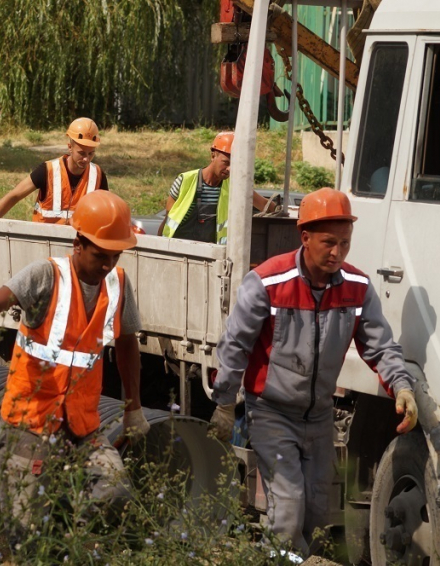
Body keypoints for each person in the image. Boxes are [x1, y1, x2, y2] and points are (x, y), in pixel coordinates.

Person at [0, 190, 149, 546]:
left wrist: (133, 407)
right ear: (78, 244)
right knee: (24, 534)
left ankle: (63, 542)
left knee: (115, 490)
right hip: (29, 423)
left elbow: (128, 343)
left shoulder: (118, 284)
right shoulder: (45, 276)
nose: (107, 264)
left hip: (83, 426)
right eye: (100, 255)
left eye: (115, 254)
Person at [210, 187, 418, 557]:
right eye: (328, 242)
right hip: (272, 413)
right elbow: (235, 346)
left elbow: (380, 346)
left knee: (319, 514)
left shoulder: (357, 288)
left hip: (319, 418)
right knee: (288, 510)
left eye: (345, 243)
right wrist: (225, 403)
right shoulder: (267, 283)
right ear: (304, 237)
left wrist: (401, 386)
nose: (337, 252)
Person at [159, 131, 277, 244]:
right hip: (177, 250)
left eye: (235, 164)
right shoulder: (185, 180)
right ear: (213, 156)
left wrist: (284, 211)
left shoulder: (235, 186)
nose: (230, 168)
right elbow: (168, 219)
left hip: (211, 255)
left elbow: (265, 205)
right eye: (226, 162)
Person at [0, 117, 109, 224]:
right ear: (70, 147)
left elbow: (107, 213)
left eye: (91, 153)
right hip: (44, 243)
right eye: (81, 153)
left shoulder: (97, 175)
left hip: (79, 246)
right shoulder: (48, 170)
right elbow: (13, 196)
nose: (86, 159)